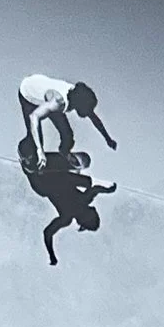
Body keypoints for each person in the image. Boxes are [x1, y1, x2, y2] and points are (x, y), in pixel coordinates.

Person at [15, 74, 118, 266]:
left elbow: (48, 232)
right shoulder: (60, 101)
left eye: (91, 211)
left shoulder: (67, 217)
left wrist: (107, 138)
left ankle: (39, 157)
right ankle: (36, 154)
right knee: (80, 178)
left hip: (42, 183)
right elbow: (34, 116)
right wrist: (40, 151)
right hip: (28, 93)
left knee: (68, 139)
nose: (92, 206)